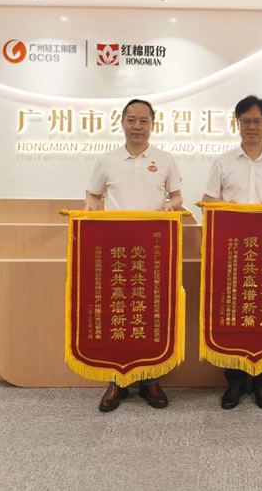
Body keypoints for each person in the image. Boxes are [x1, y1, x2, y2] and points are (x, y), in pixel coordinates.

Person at [84, 98, 183, 413]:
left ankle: (151, 380)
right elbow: (93, 195)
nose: (137, 126)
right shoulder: (107, 160)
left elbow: (178, 197)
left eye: (143, 120)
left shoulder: (165, 160)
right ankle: (117, 380)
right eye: (131, 120)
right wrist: (90, 212)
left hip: (153, 250)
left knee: (151, 311)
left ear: (152, 124)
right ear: (122, 123)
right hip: (114, 249)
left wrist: (170, 205)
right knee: (117, 311)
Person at [202, 94, 262, 410]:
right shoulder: (223, 162)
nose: (252, 126)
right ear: (237, 123)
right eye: (246, 121)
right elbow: (207, 202)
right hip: (232, 255)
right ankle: (234, 383)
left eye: (257, 121)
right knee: (231, 317)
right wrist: (225, 207)